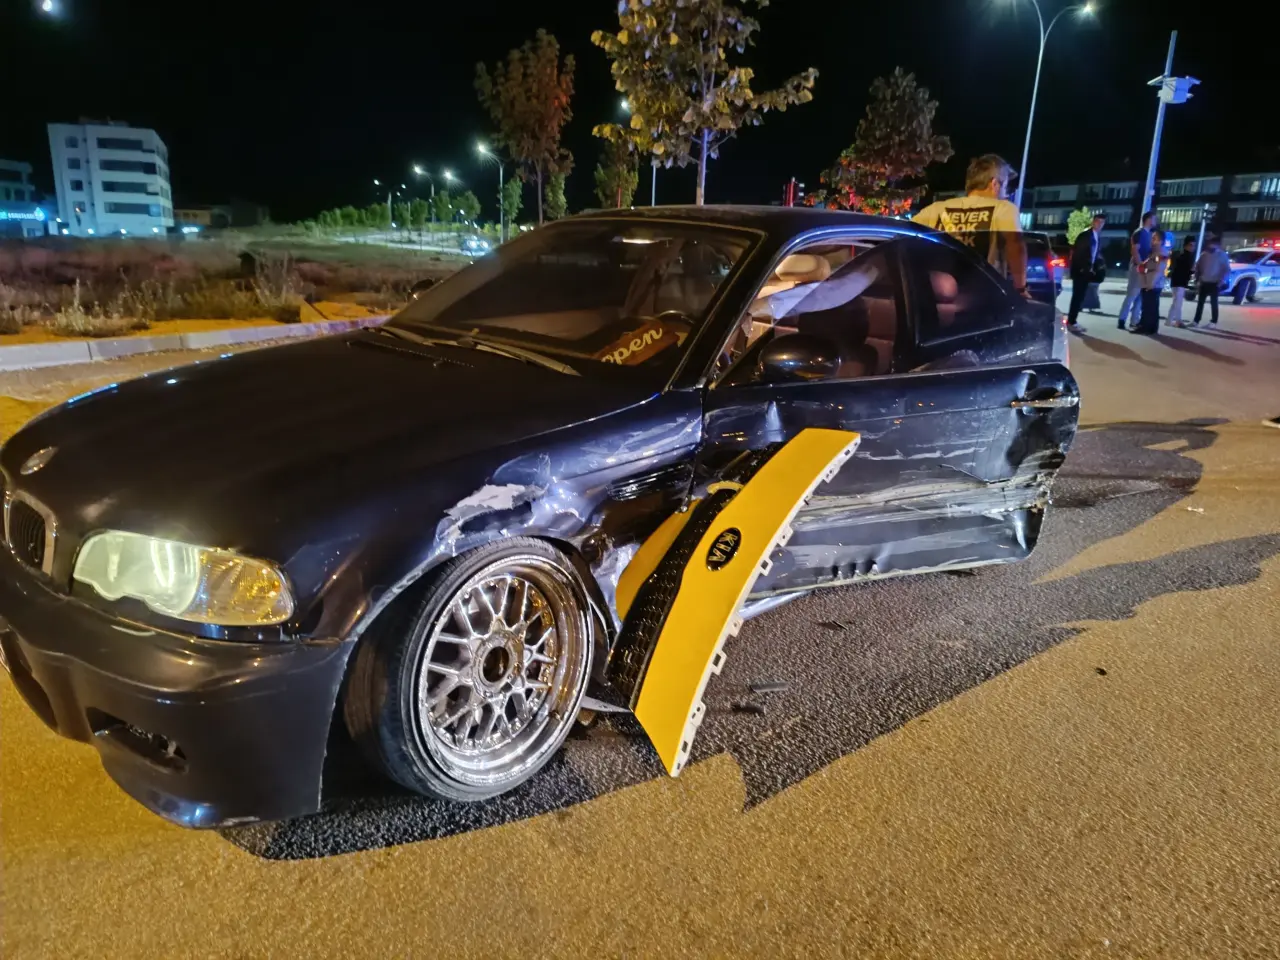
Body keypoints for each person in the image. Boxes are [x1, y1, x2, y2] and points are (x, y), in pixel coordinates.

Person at [913, 154, 1029, 297]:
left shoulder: (936, 209)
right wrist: (1020, 289)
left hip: (941, 299)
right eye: (1005, 186)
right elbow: (1015, 243)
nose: (1006, 194)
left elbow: (901, 235)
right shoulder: (1003, 208)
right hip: (984, 299)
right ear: (994, 184)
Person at [1117, 211, 1157, 330]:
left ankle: (1135, 321)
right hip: (1138, 267)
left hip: (1145, 268)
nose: (1156, 221)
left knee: (1140, 296)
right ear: (1148, 219)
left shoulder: (1150, 234)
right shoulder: (1139, 233)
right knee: (1132, 294)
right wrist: (1140, 264)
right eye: (1154, 219)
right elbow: (1135, 250)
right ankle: (1122, 319)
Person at [1067, 212, 1107, 330]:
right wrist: (1082, 269)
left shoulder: (1096, 236)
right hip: (1080, 271)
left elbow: (1094, 254)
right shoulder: (1085, 235)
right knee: (1077, 296)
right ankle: (1071, 321)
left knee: (1080, 296)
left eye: (1102, 222)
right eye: (1098, 221)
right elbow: (1078, 254)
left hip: (1087, 271)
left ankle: (1072, 320)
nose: (1099, 224)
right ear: (1093, 222)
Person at [1134, 229, 1167, 335]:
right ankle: (1151, 328)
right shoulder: (1154, 252)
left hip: (1152, 284)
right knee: (1152, 307)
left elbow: (1159, 268)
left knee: (1148, 307)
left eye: (1154, 238)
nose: (1152, 240)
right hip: (1150, 282)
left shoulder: (1160, 252)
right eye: (1152, 238)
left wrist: (1151, 283)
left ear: (1161, 241)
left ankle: (1146, 327)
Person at [1192, 237, 1231, 326]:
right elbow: (1198, 267)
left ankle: (1213, 321)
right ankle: (1196, 320)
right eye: (1210, 244)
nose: (1211, 246)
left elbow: (1227, 269)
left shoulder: (1222, 255)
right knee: (1200, 303)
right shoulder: (1204, 255)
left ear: (1217, 245)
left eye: (1213, 244)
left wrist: (1221, 281)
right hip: (1204, 282)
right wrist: (1197, 279)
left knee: (1214, 303)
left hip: (1215, 283)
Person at [1166, 235, 1195, 327]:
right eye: (1191, 245)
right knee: (1177, 302)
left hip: (1177, 281)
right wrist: (1192, 271)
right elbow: (1184, 269)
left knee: (1177, 302)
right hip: (1179, 281)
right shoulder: (1185, 256)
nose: (1192, 247)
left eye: (1193, 245)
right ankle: (1175, 321)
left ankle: (1172, 320)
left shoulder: (1181, 254)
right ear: (1186, 245)